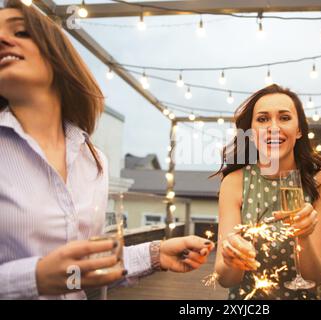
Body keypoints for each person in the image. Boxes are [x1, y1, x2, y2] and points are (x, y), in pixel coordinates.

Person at [0, 0, 214, 300]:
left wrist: (156, 254)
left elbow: (86, 271)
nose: (2, 38)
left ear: (57, 55)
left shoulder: (93, 160)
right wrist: (34, 278)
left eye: (21, 32)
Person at [213, 84, 321, 299]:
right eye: (262, 119)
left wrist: (304, 237)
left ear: (299, 130)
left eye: (284, 118)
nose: (273, 127)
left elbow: (315, 278)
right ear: (251, 133)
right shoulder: (234, 182)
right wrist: (232, 259)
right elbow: (225, 279)